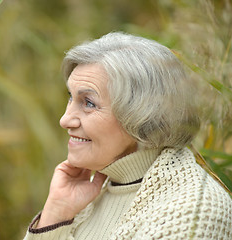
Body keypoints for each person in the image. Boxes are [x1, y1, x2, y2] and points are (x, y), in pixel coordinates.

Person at [23, 32, 232, 239]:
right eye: (71, 97)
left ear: (143, 114)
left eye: (88, 103)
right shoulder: (91, 194)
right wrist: (55, 216)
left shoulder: (192, 210)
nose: (65, 120)